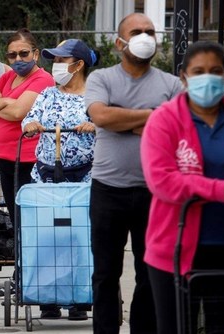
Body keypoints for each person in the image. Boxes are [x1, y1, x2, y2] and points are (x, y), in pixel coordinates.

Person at [84, 13, 183, 333]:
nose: (145, 37)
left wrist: (125, 119)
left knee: (150, 273)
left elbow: (178, 128)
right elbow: (100, 115)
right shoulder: (101, 79)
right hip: (107, 190)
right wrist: (154, 116)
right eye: (137, 31)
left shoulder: (170, 83)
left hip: (155, 194)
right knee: (105, 275)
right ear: (119, 42)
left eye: (150, 32)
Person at [141, 41, 224, 334]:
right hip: (173, 250)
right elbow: (161, 180)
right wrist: (221, 190)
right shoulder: (164, 120)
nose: (208, 78)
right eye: (199, 71)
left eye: (216, 71)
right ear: (184, 76)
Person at [21, 39, 98, 320]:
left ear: (78, 65)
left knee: (79, 237)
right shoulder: (48, 94)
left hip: (83, 177)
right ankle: (47, 297)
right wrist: (30, 125)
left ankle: (80, 298)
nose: (56, 66)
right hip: (46, 175)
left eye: (61, 60)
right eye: (54, 60)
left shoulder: (94, 96)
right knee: (47, 237)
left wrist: (94, 124)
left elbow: (106, 123)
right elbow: (29, 118)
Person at [0, 28, 55, 229]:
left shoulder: (43, 79)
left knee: (29, 217)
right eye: (12, 55)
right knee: (15, 216)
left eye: (24, 53)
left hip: (28, 160)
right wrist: (9, 102)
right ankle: (20, 258)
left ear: (35, 54)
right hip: (4, 157)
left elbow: (18, 113)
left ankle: (31, 259)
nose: (18, 59)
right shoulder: (8, 77)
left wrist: (0, 105)